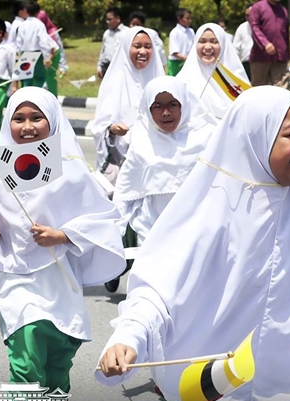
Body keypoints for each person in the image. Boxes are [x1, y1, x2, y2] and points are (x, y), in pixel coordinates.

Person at [96, 85, 290, 401]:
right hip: (219, 400)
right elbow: (159, 291)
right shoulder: (212, 211)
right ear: (256, 137)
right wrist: (128, 337)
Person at [0, 86, 125, 401]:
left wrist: (63, 234)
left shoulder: (71, 170)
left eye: (36, 118)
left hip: (60, 280)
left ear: (52, 121)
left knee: (56, 361)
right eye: (19, 118)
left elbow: (104, 219)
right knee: (25, 355)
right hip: (15, 279)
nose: (27, 126)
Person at [113, 76, 216, 247]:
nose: (166, 113)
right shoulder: (142, 139)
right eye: (158, 107)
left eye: (173, 105)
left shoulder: (207, 136)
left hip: (196, 229)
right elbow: (125, 191)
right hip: (151, 230)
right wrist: (115, 231)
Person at [92, 27, 165, 174]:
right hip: (123, 164)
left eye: (148, 46)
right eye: (137, 46)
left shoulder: (160, 81)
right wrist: (112, 129)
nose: (143, 51)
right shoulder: (113, 82)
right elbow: (100, 126)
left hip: (156, 162)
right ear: (126, 47)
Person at [177, 23, 250, 119]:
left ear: (223, 44)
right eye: (202, 41)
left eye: (214, 42)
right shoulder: (182, 81)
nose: (207, 47)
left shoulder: (235, 79)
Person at [15, 2, 58, 89]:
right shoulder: (39, 25)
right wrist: (47, 58)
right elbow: (43, 42)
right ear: (38, 12)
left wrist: (18, 54)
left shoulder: (22, 25)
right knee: (40, 77)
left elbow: (19, 41)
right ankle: (35, 97)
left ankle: (25, 97)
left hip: (25, 53)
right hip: (37, 53)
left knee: (26, 78)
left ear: (26, 11)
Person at [248, 0, 290, 86]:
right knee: (258, 89)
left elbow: (286, 33)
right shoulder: (257, 7)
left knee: (281, 88)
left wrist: (287, 54)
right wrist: (265, 44)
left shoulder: (283, 10)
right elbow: (255, 27)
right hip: (260, 57)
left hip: (280, 57)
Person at [37, 6, 66, 96]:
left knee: (49, 83)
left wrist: (62, 66)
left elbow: (60, 49)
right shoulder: (36, 31)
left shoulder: (53, 32)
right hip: (40, 63)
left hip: (51, 61)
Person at [98, 7, 128, 79]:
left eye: (110, 19)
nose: (107, 22)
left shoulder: (126, 32)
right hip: (107, 66)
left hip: (120, 67)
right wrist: (99, 66)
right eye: (107, 19)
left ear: (118, 19)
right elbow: (103, 51)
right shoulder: (107, 33)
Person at [168, 8, 194, 76]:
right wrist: (187, 58)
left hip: (188, 62)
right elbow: (174, 53)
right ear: (179, 18)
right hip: (176, 63)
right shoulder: (175, 32)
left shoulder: (191, 31)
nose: (189, 21)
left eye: (190, 18)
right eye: (187, 18)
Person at [233, 4, 254, 78]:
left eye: (251, 15)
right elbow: (235, 48)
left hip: (261, 62)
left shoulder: (264, 25)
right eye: (247, 15)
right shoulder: (242, 28)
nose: (249, 17)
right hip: (246, 63)